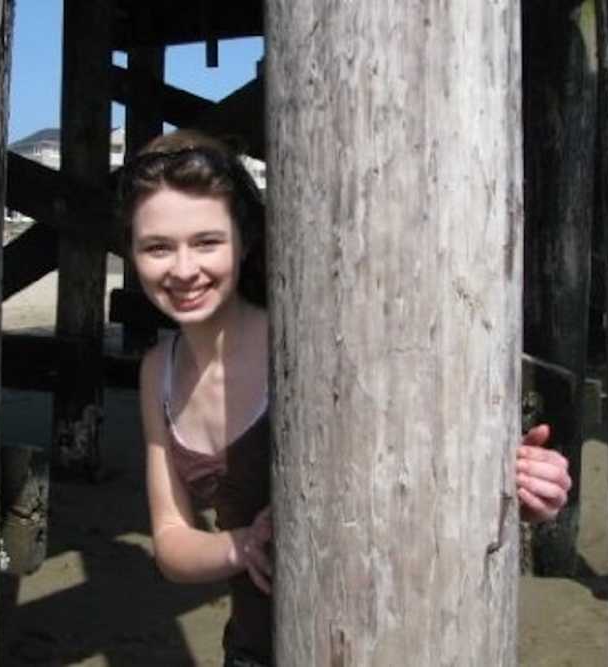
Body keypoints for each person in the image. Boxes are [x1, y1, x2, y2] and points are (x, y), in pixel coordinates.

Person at [121, 129, 572, 667]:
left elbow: (431, 472)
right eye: (157, 247)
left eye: (206, 242)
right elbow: (171, 539)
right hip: (253, 651)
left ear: (243, 239)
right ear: (131, 251)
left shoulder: (315, 342)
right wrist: (241, 545)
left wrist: (518, 484)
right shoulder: (159, 372)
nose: (184, 269)